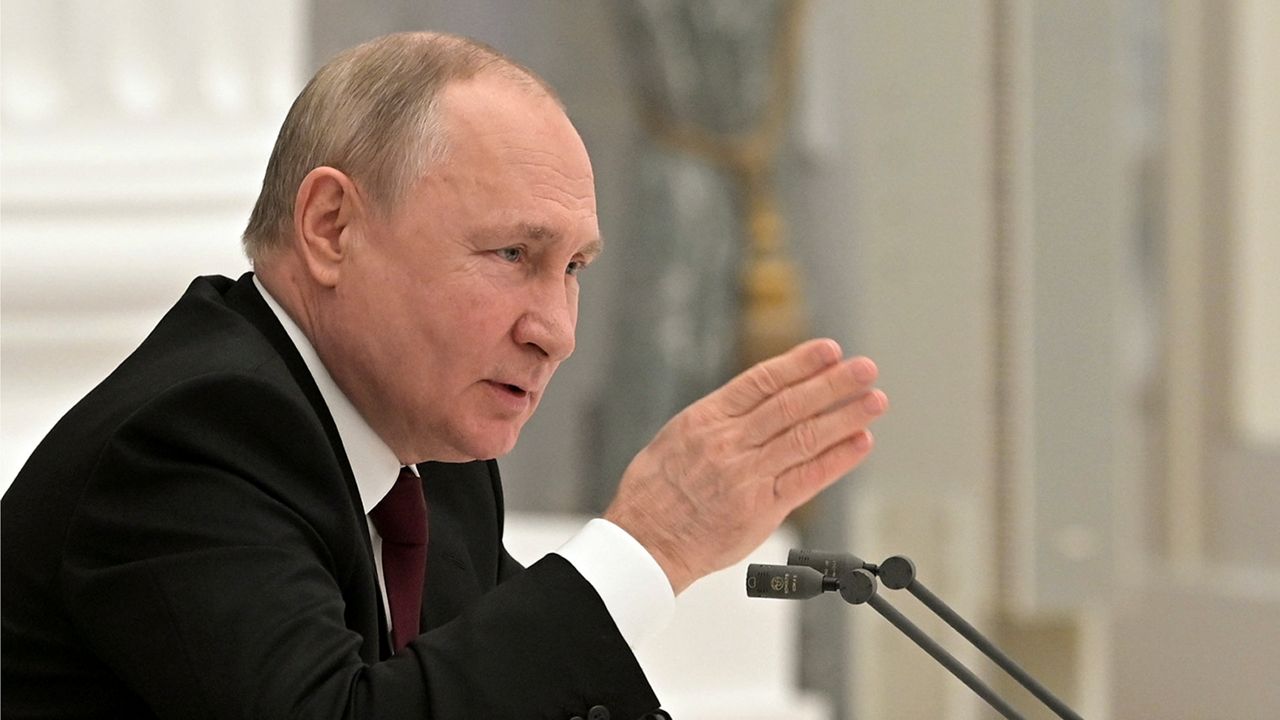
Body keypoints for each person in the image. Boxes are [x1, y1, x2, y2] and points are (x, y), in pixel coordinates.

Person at [0, 32, 886, 720]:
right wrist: (650, 542)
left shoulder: (433, 461)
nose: (556, 332)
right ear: (333, 226)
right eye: (512, 253)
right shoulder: (196, 437)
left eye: (573, 269)